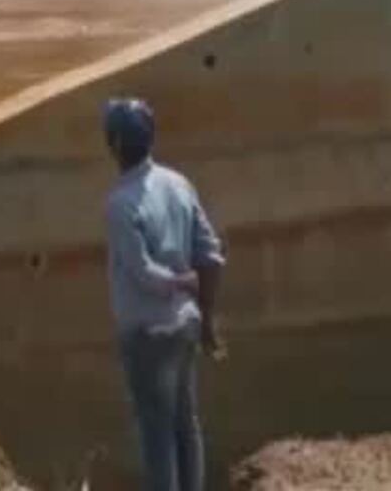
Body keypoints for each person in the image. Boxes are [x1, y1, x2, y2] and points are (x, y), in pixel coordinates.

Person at [102, 99, 224, 491]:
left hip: (147, 335)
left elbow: (143, 274)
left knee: (157, 436)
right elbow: (213, 256)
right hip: (185, 325)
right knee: (186, 425)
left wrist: (179, 282)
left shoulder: (120, 204)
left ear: (114, 143)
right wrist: (207, 318)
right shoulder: (178, 184)